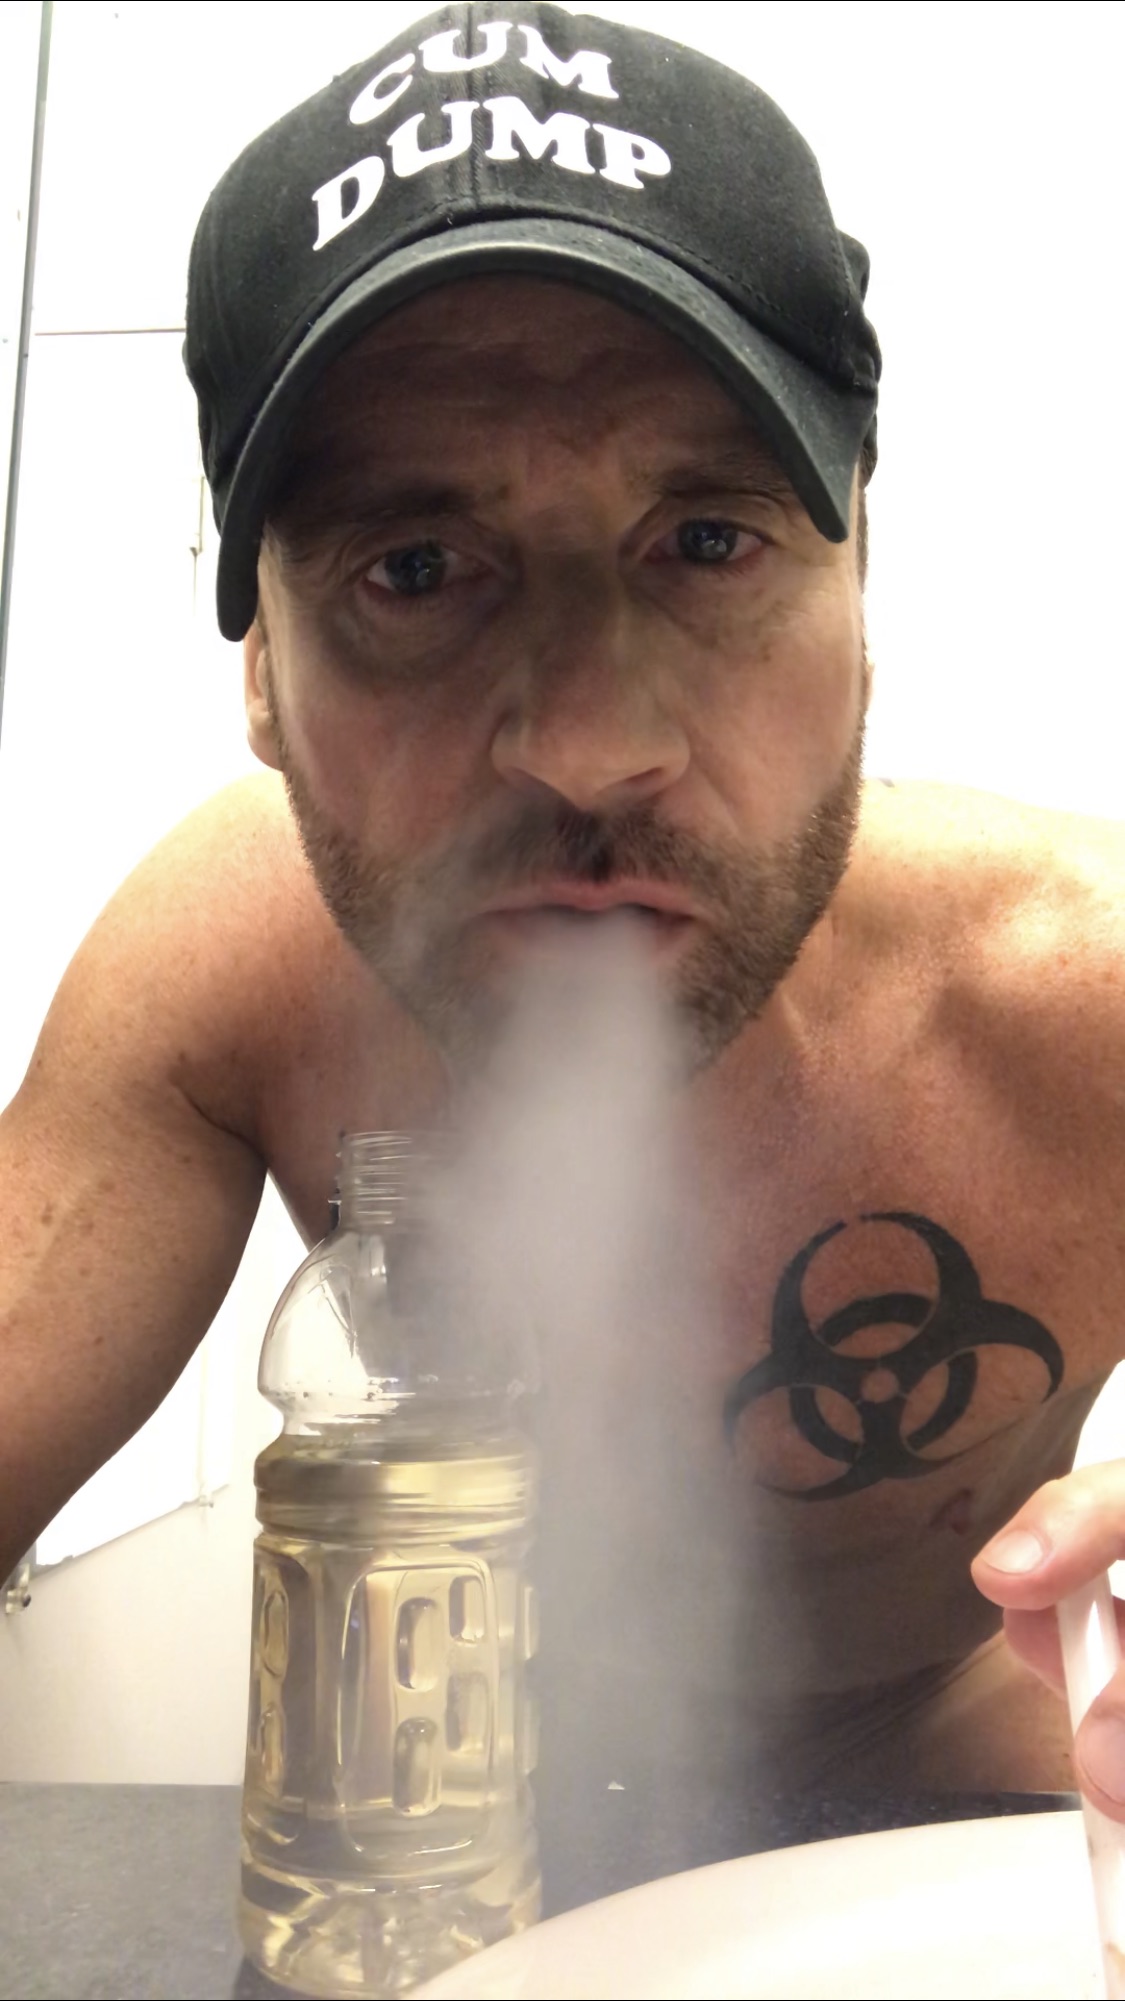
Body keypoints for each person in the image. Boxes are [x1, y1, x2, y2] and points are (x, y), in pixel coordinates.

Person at [3, 0, 1124, 1809]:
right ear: (263, 671)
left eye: (707, 542)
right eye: (416, 569)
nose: (591, 745)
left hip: (950, 1828)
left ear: (862, 573)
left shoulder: (1082, 994)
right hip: (438, 1856)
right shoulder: (230, 969)